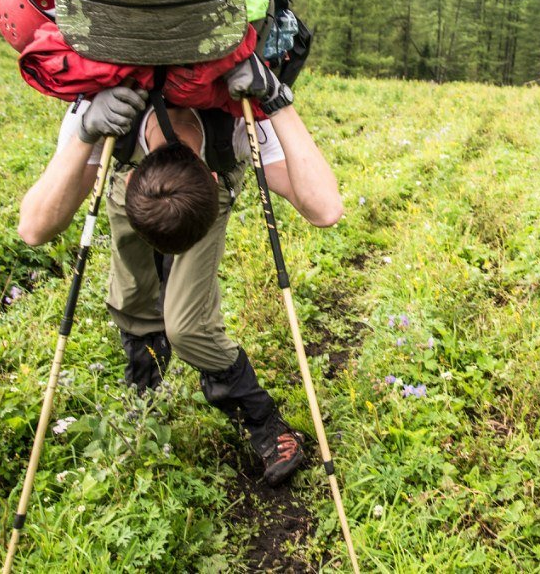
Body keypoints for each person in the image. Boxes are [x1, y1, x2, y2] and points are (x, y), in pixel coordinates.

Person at [18, 53, 342, 485]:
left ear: (210, 178)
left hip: (201, 191)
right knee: (133, 295)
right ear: (129, 181)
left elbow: (325, 209)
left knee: (188, 325)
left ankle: (263, 422)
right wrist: (84, 129)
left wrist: (277, 101)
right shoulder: (109, 110)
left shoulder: (239, 124)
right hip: (137, 175)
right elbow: (34, 228)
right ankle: (144, 394)